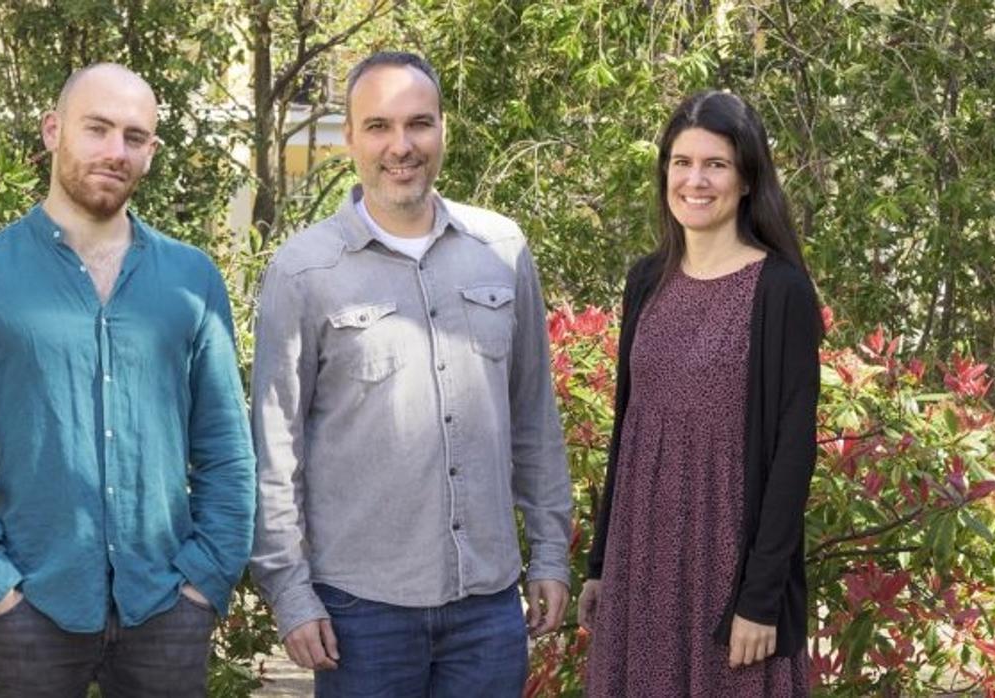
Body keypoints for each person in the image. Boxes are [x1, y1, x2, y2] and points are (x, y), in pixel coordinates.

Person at [0, 63, 255, 697]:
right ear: (53, 131)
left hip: (166, 609)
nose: (114, 151)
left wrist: (204, 581)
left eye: (134, 137)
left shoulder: (192, 280)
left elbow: (226, 451)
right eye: (96, 128)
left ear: (151, 153)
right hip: (32, 613)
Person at [249, 51, 572, 696]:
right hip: (359, 614)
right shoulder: (303, 271)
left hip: (487, 607)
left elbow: (534, 416)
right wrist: (290, 591)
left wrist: (552, 552)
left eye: (419, 123)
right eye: (378, 126)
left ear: (443, 130)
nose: (401, 146)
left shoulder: (501, 252)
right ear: (350, 138)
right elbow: (275, 445)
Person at [578, 90, 821, 697]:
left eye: (715, 164)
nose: (695, 180)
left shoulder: (781, 290)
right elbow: (627, 430)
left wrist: (761, 599)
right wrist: (602, 564)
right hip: (642, 564)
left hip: (728, 570)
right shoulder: (645, 281)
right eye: (681, 163)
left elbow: (794, 453)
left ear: (746, 180)